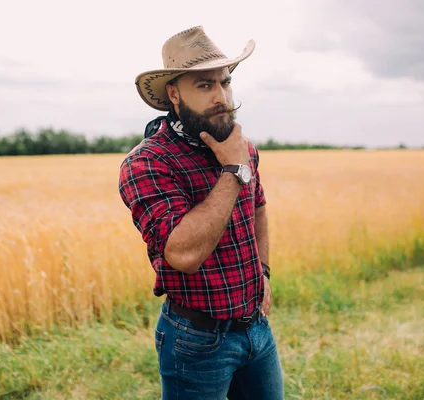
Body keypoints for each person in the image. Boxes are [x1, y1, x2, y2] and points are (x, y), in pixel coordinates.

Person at [119, 26, 284, 399]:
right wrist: (231, 171)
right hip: (196, 341)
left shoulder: (242, 148)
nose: (222, 97)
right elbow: (183, 255)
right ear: (174, 94)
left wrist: (264, 271)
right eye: (205, 86)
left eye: (225, 83)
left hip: (257, 329)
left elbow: (257, 207)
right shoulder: (148, 163)